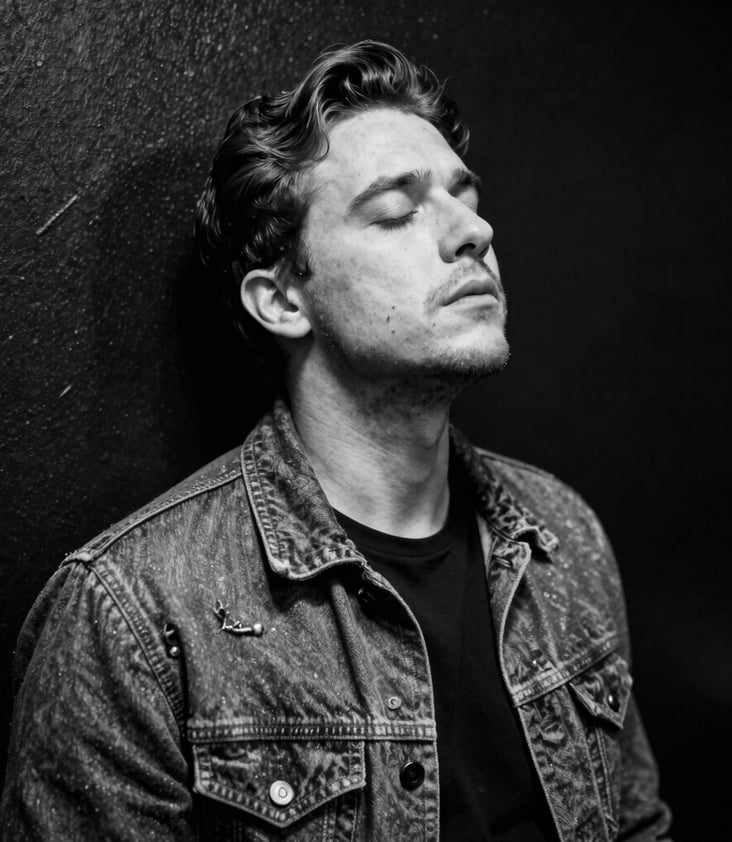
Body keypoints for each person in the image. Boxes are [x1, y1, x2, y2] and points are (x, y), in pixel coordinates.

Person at [0, 40, 672, 841]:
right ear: (284, 301)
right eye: (396, 210)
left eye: (465, 197)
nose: (475, 230)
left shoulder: (563, 537)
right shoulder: (133, 616)